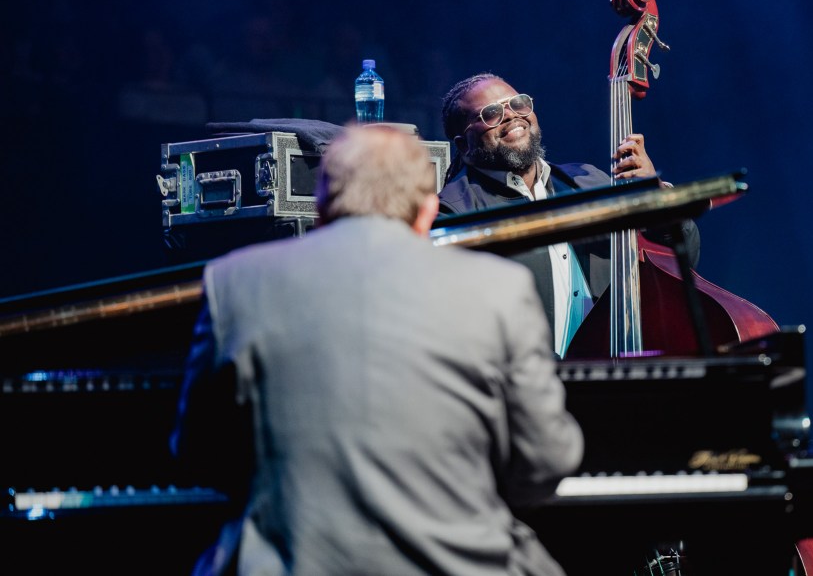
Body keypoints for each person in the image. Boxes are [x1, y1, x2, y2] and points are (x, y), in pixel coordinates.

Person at [170, 123, 584, 575]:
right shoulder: (500, 288)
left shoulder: (233, 283)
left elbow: (197, 454)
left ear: (321, 209)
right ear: (428, 212)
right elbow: (545, 462)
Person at [436, 72, 700, 357]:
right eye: (491, 113)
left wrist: (657, 196)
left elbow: (681, 258)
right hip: (530, 378)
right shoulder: (453, 214)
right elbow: (467, 326)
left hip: (613, 368)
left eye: (518, 103)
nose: (512, 115)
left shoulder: (589, 182)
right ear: (463, 145)